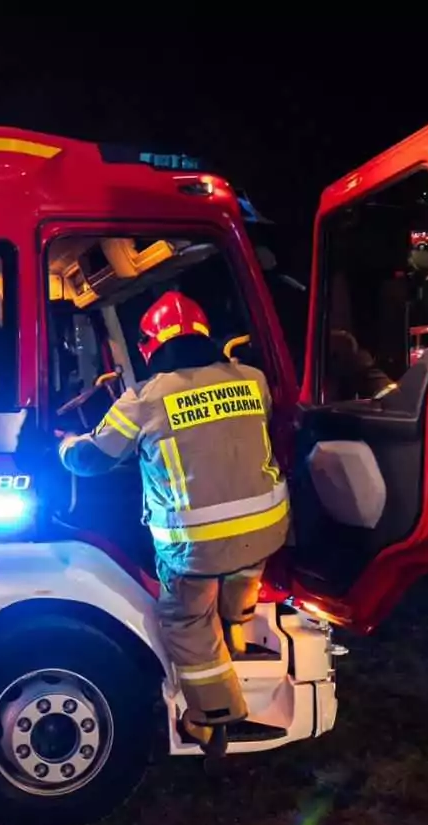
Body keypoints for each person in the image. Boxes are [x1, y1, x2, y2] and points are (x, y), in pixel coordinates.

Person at [57, 292, 290, 763]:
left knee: (186, 617)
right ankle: (239, 625)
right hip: (269, 528)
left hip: (199, 547)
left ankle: (212, 716)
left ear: (149, 346)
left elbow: (92, 460)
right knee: (244, 564)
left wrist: (64, 444)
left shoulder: (144, 399)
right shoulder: (254, 380)